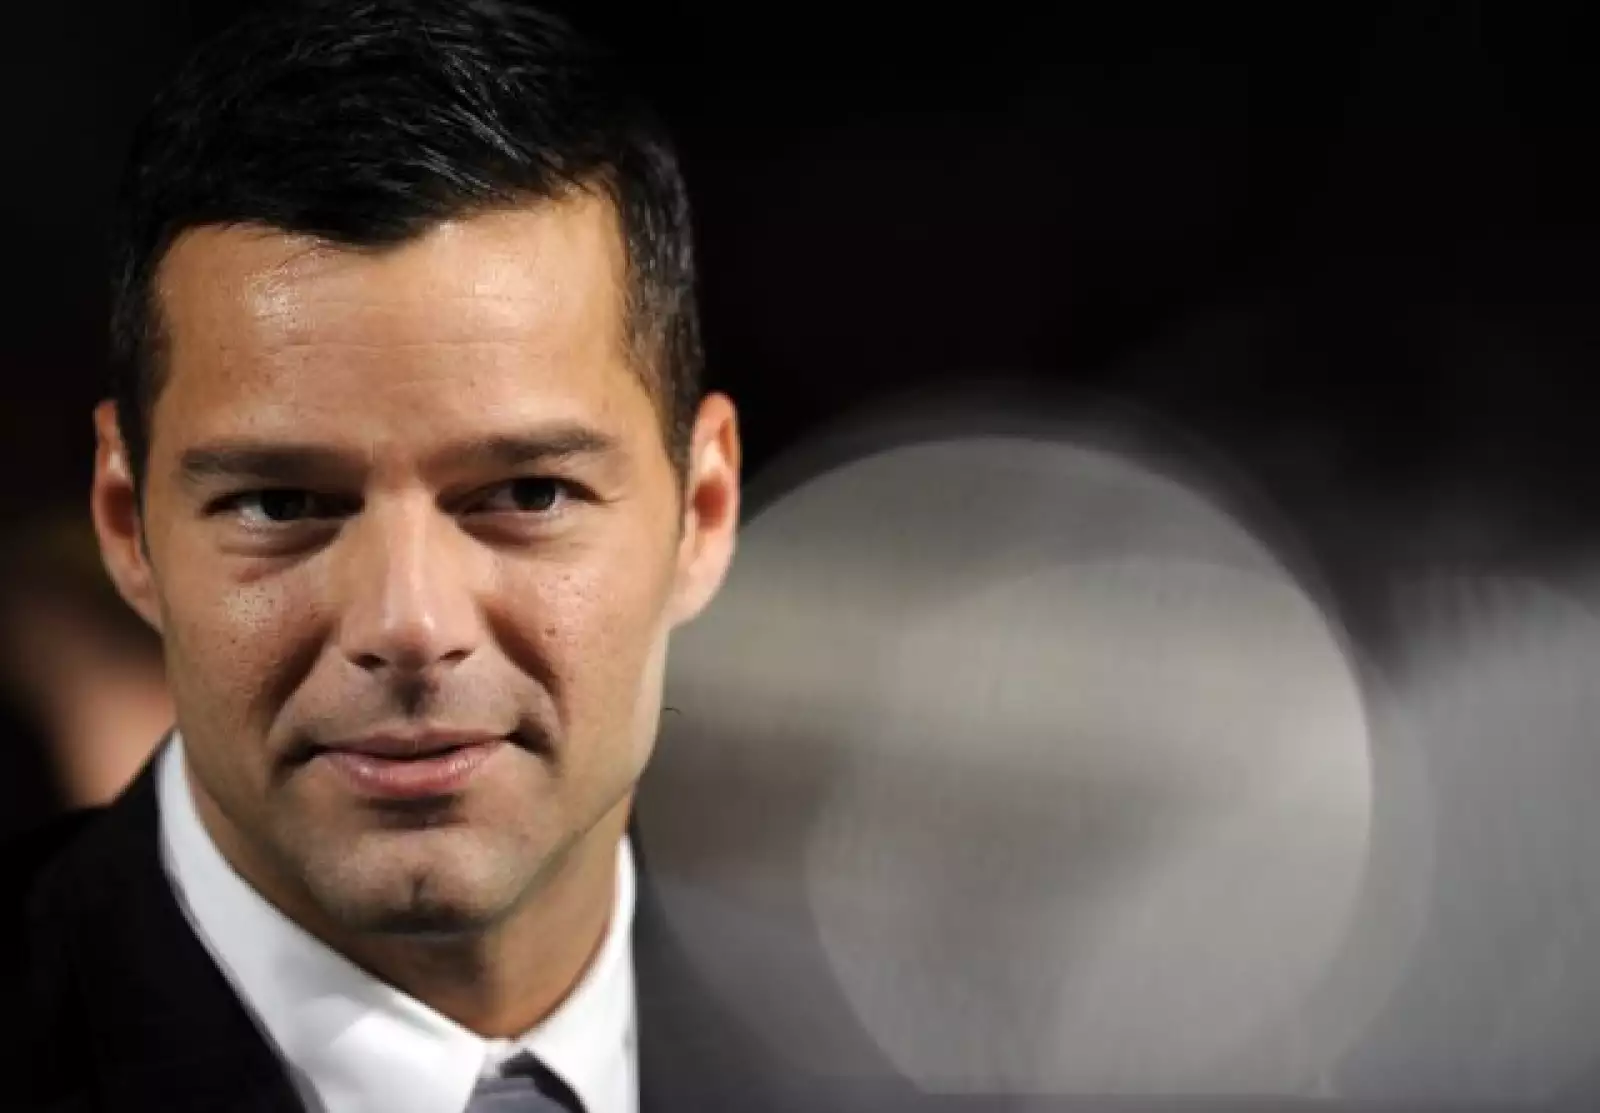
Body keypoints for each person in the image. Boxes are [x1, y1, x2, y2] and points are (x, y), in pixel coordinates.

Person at [2, 2, 858, 1110]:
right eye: (280, 502)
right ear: (128, 526)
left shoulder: (935, 1072)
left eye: (526, 494)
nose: (408, 623)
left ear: (701, 508)